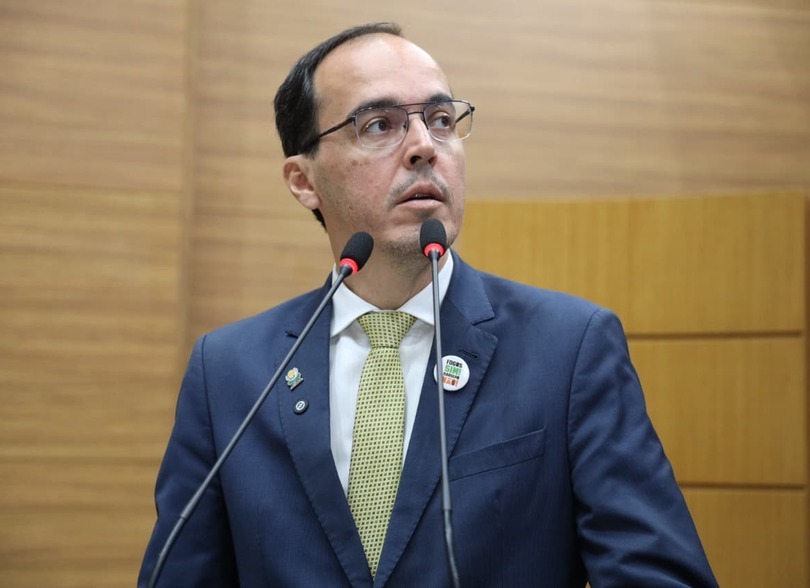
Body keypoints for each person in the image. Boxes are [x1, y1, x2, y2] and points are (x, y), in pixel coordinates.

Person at [139, 22, 718, 587]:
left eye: (441, 120)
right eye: (379, 125)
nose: (424, 146)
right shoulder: (229, 371)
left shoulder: (569, 350)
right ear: (303, 180)